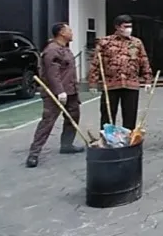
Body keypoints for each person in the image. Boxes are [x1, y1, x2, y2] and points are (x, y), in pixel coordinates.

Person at [26, 23, 83, 168]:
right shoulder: (52, 50)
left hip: (71, 91)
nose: (71, 32)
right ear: (61, 33)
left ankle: (67, 145)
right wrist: (59, 91)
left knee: (73, 117)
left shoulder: (65, 49)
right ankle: (34, 153)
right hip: (55, 93)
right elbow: (53, 74)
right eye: (69, 30)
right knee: (47, 122)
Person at [88, 15, 153, 130]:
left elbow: (144, 60)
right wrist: (93, 82)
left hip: (131, 84)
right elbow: (96, 62)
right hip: (110, 84)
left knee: (130, 115)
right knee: (107, 115)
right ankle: (108, 140)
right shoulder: (105, 42)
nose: (129, 29)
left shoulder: (136, 42)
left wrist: (148, 79)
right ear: (117, 27)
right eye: (125, 26)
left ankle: (127, 141)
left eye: (130, 26)